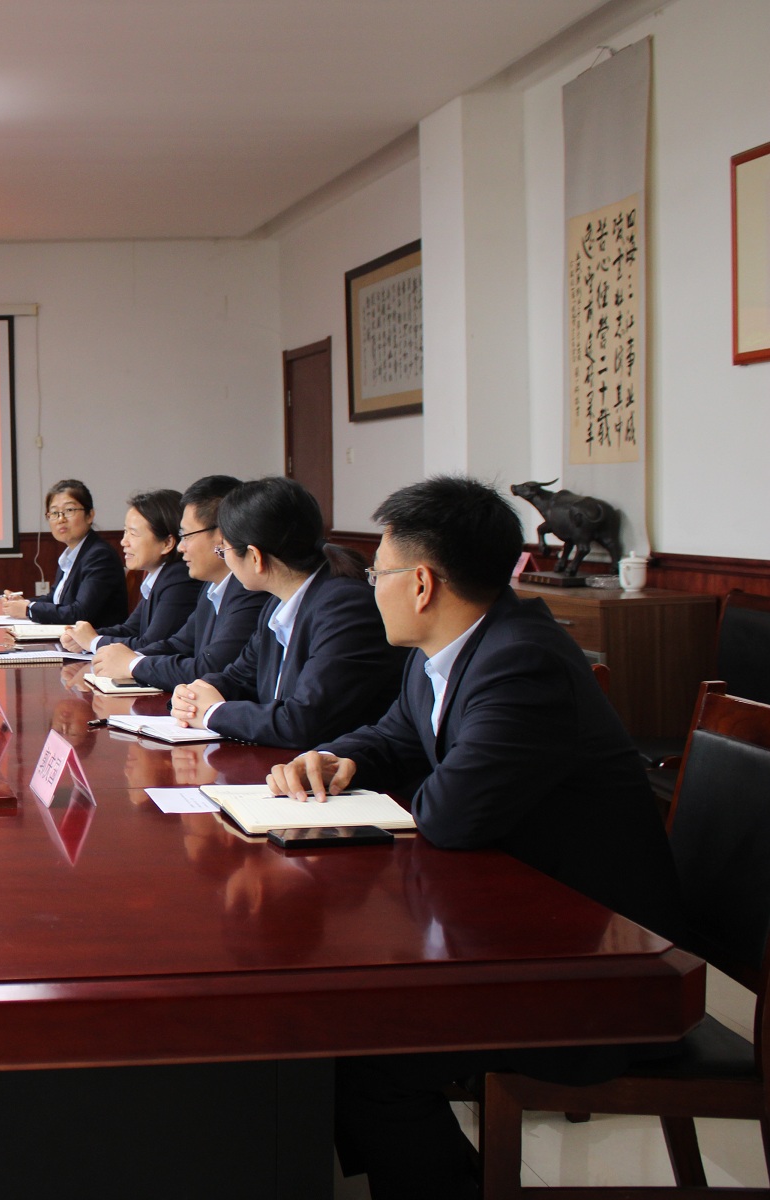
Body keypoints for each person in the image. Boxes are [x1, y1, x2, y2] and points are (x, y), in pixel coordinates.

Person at [265, 476, 685, 1200]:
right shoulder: (450, 649)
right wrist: (339, 758)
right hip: (523, 929)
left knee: (365, 1054)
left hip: (601, 973)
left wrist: (398, 786)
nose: (370, 589)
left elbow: (451, 816)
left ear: (421, 584)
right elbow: (395, 735)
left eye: (377, 574)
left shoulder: (521, 662)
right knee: (346, 1031)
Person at [167, 476, 403, 747]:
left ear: (255, 557)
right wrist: (192, 697)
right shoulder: (277, 603)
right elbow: (240, 678)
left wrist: (212, 713)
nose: (225, 558)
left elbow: (303, 721)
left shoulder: (345, 607)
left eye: (224, 550)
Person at [88, 474, 271, 690]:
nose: (181, 547)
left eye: (187, 535)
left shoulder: (249, 590)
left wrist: (132, 664)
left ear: (223, 535)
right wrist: (123, 659)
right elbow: (179, 644)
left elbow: (209, 668)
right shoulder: (211, 585)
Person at [60, 488, 200, 655]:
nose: (123, 542)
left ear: (167, 543)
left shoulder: (180, 578)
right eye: (125, 531)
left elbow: (151, 644)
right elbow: (131, 629)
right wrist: (82, 637)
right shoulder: (159, 575)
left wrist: (93, 641)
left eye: (133, 533)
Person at [1, 479, 128, 627]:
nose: (61, 519)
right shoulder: (71, 554)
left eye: (69, 510)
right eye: (54, 513)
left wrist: (29, 609)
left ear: (90, 515)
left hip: (95, 638)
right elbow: (55, 599)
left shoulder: (99, 556)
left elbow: (80, 613)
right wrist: (25, 603)